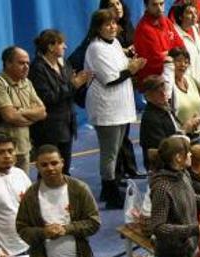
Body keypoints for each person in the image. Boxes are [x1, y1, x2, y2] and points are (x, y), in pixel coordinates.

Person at [84, 9, 145, 209]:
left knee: (116, 150)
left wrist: (130, 63)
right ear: (98, 27)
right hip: (107, 107)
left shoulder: (116, 43)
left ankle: (109, 186)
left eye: (114, 23)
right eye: (107, 24)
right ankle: (110, 192)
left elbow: (121, 66)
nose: (112, 27)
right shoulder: (95, 48)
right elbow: (110, 78)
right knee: (109, 153)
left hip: (121, 105)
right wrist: (132, 69)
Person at [29, 29, 91, 175]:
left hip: (66, 125)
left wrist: (80, 84)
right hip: (48, 129)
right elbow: (47, 98)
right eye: (61, 43)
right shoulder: (37, 69)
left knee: (64, 169)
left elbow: (70, 92)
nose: (65, 47)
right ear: (51, 46)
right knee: (49, 171)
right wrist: (73, 85)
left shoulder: (65, 65)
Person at [0, 46, 46, 173]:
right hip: (2, 150)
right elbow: (10, 116)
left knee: (22, 188)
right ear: (8, 63)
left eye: (27, 63)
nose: (26, 66)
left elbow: (43, 112)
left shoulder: (26, 82)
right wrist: (32, 116)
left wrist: (22, 111)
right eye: (21, 63)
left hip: (24, 147)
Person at [170, 2, 200, 138]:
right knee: (192, 108)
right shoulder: (175, 33)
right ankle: (190, 134)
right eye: (189, 13)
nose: (194, 16)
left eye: (195, 13)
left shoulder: (195, 29)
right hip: (190, 78)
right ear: (180, 16)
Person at [138, 75, 200, 170]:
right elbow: (164, 149)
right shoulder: (151, 118)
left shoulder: (164, 108)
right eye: (158, 92)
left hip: (176, 158)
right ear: (148, 96)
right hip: (164, 167)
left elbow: (173, 132)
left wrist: (190, 127)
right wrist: (184, 130)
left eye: (164, 89)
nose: (163, 94)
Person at [165, 46, 200, 141]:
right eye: (178, 61)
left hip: (197, 136)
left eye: (186, 62)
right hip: (179, 139)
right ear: (170, 64)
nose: (183, 64)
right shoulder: (167, 86)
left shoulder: (190, 79)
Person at [133, 0, 185, 86]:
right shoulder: (143, 29)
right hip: (154, 86)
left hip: (172, 78)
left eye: (161, 4)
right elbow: (158, 60)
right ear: (146, 6)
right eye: (154, 5)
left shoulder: (166, 21)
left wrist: (168, 54)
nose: (159, 8)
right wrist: (172, 54)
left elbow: (181, 46)